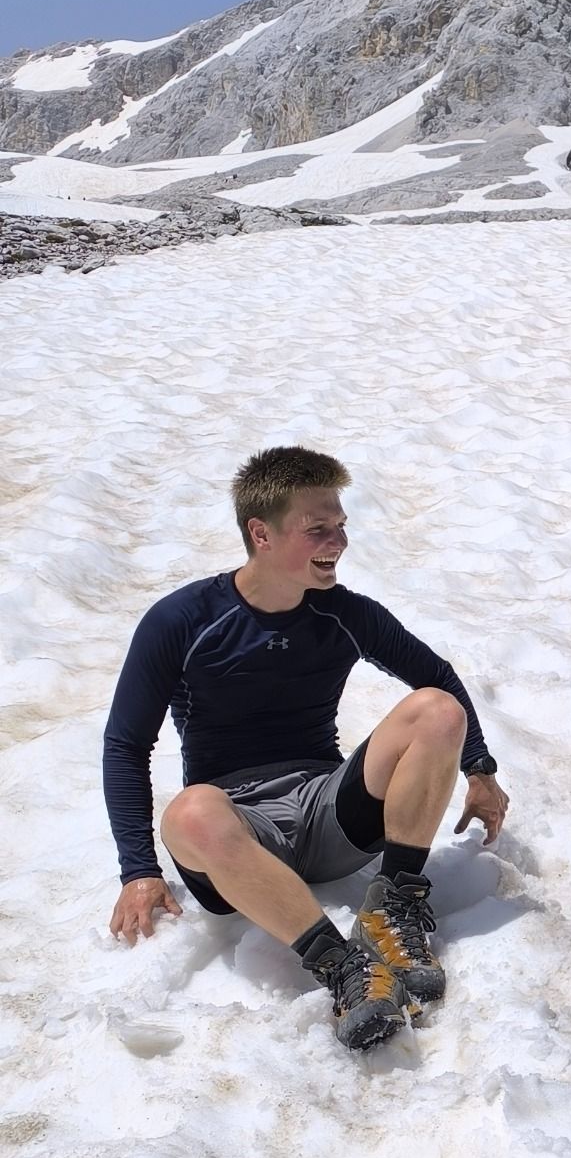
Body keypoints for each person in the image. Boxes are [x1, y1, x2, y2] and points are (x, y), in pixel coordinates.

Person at [104, 446, 508, 1050]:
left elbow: (440, 679)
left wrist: (479, 769)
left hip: (330, 813)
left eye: (341, 525)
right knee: (190, 810)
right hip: (238, 832)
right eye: (318, 529)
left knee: (436, 710)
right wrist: (139, 870)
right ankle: (342, 968)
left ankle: (395, 905)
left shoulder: (344, 613)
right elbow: (126, 743)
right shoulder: (182, 621)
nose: (338, 542)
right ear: (260, 533)